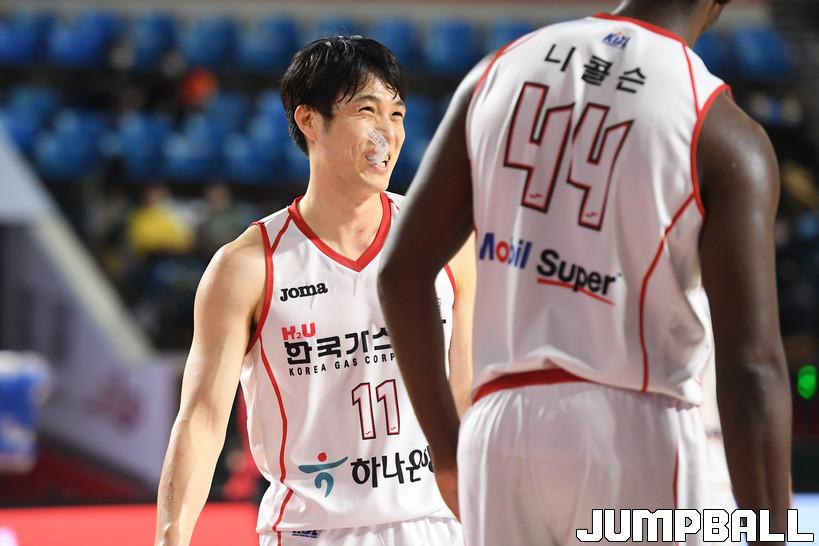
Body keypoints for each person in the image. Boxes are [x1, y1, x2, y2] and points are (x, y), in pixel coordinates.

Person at [378, 1, 792, 544]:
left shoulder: (498, 71)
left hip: (499, 430)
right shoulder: (721, 127)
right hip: (634, 430)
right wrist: (771, 533)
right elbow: (752, 369)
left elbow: (401, 274)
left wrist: (447, 452)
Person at [155, 36, 473, 546]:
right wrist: (170, 538)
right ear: (308, 120)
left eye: (396, 114)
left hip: (437, 525)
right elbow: (203, 418)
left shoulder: (446, 240)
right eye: (367, 111)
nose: (387, 133)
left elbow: (467, 394)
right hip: (312, 531)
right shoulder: (247, 266)